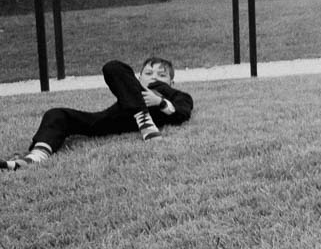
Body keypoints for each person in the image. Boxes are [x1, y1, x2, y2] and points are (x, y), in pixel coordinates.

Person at [4, 58, 193, 170]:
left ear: (172, 82)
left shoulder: (175, 94)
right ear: (138, 78)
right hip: (117, 118)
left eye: (161, 75)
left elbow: (183, 111)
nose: (154, 77)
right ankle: (35, 157)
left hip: (153, 117)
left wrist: (159, 101)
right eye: (149, 73)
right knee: (57, 114)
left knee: (154, 94)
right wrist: (139, 93)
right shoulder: (132, 88)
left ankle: (146, 122)